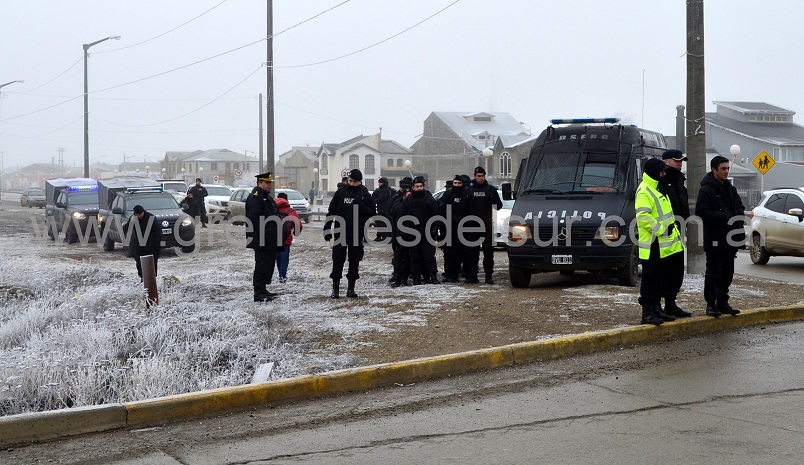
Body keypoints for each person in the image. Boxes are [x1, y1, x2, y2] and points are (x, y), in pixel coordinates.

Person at [635, 158, 685, 325]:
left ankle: (656, 309)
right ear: (653, 171)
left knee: (657, 280)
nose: (664, 173)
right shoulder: (645, 190)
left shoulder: (657, 188)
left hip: (660, 244)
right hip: (651, 244)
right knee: (650, 280)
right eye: (661, 171)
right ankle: (647, 313)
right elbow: (643, 218)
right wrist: (662, 229)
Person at [695, 155, 746, 317]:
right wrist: (722, 215)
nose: (726, 171)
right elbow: (701, 212)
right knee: (714, 274)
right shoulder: (706, 190)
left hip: (731, 238)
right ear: (714, 169)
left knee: (727, 273)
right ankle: (711, 304)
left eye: (727, 168)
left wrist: (736, 217)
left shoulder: (730, 189)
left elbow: (739, 206)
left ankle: (723, 302)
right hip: (715, 239)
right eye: (723, 169)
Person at [324, 168, 375, 298]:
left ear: (360, 182)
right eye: (350, 181)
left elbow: (371, 212)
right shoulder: (341, 192)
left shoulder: (364, 193)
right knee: (338, 260)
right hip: (340, 231)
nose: (351, 184)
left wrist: (362, 206)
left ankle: (351, 288)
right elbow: (332, 210)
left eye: (354, 182)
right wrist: (327, 227)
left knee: (354, 260)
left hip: (357, 232)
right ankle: (335, 288)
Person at [659, 149, 692, 318]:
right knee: (663, 271)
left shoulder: (679, 180)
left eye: (681, 161)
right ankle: (658, 307)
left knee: (677, 271)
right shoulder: (662, 180)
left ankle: (671, 304)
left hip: (678, 231)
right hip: (663, 232)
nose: (680, 163)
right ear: (666, 162)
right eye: (677, 160)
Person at [245, 172, 283, 302]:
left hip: (270, 238)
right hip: (261, 238)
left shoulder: (266, 197)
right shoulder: (255, 198)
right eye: (267, 183)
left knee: (268, 264)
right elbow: (254, 219)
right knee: (261, 264)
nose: (270, 185)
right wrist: (265, 232)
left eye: (271, 183)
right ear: (259, 183)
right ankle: (258, 292)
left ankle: (263, 288)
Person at [465, 166, 503, 284]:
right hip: (472, 225)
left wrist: (492, 197)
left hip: (486, 224)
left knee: (488, 251)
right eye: (478, 176)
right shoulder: (468, 190)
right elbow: (463, 208)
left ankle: (488, 275)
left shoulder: (490, 189)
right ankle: (472, 276)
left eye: (482, 176)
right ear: (475, 176)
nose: (481, 178)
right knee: (472, 252)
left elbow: (499, 205)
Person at [400, 176, 440, 284]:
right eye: (417, 186)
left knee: (429, 256)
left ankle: (432, 276)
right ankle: (416, 278)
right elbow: (402, 216)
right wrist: (404, 231)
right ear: (413, 187)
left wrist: (434, 229)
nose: (419, 188)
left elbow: (436, 216)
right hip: (413, 233)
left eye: (421, 186)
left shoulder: (429, 199)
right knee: (414, 257)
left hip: (427, 233)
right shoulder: (408, 201)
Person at [439, 174, 471, 283]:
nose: (457, 185)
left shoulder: (466, 194)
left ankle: (460, 273)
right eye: (455, 183)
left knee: (463, 252)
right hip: (450, 228)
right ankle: (449, 275)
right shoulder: (447, 195)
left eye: (459, 183)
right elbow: (444, 209)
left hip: (464, 228)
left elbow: (470, 209)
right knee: (450, 253)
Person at [126, 205, 162, 282]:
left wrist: (157, 244)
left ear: (143, 212)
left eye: (140, 214)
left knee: (152, 265)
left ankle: (152, 282)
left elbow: (158, 231)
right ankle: (143, 279)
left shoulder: (151, 218)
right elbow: (125, 230)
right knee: (139, 264)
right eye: (137, 214)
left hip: (151, 246)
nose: (139, 216)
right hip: (139, 246)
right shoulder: (133, 218)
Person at [388, 176, 413, 287]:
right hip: (397, 232)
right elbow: (390, 212)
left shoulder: (414, 199)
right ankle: (397, 275)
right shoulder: (396, 198)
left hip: (411, 233)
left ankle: (409, 274)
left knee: (409, 255)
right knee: (398, 255)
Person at [274, 192, 302, 284]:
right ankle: (282, 276)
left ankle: (280, 274)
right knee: (284, 258)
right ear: (287, 200)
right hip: (286, 238)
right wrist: (295, 233)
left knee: (278, 257)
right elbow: (298, 225)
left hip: (274, 238)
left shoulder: (272, 209)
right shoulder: (291, 211)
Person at [371, 176, 396, 242]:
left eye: (380, 182)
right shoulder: (380, 191)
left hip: (387, 210)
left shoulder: (390, 191)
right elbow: (373, 200)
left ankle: (386, 236)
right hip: (382, 210)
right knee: (381, 223)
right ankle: (381, 236)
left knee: (385, 223)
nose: (379, 184)